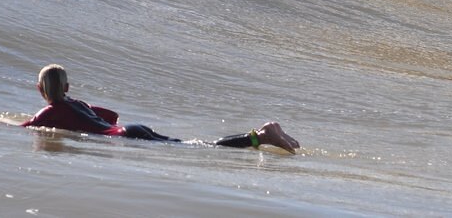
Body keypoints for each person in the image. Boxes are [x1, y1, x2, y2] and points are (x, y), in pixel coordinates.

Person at [20, 64, 299, 152]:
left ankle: (262, 136)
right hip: (131, 129)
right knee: (196, 145)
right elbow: (111, 116)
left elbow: (25, 128)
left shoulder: (49, 112)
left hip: (125, 137)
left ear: (39, 90)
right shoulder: (75, 103)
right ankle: (264, 134)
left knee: (201, 148)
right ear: (67, 88)